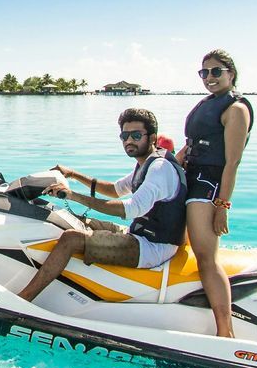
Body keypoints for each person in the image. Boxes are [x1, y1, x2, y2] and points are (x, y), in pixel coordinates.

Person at [16, 108, 186, 304]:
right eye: (124, 135)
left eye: (136, 135)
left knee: (71, 238)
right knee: (70, 220)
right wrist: (73, 174)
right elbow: (115, 190)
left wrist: (73, 195)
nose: (129, 141)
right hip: (139, 234)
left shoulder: (159, 168)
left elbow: (129, 209)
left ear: (153, 137)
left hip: (153, 248)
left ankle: (23, 300)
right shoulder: (146, 163)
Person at [181, 49, 252, 338]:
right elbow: (192, 144)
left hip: (207, 187)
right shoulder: (207, 103)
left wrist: (222, 204)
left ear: (230, 74)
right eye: (204, 72)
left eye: (215, 71)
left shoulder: (236, 109)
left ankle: (226, 332)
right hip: (190, 178)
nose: (209, 77)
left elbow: (233, 161)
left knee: (206, 258)